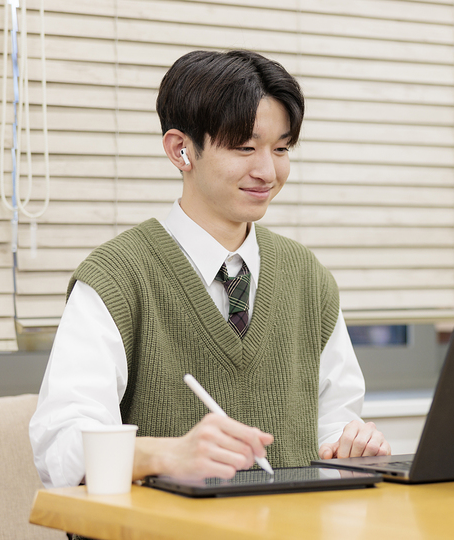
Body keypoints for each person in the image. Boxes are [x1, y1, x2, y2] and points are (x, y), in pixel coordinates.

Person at [29, 49, 390, 488]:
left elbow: (332, 426)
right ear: (181, 150)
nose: (267, 171)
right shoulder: (116, 277)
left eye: (281, 149)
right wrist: (169, 453)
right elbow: (61, 447)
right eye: (244, 147)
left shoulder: (306, 277)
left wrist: (349, 445)